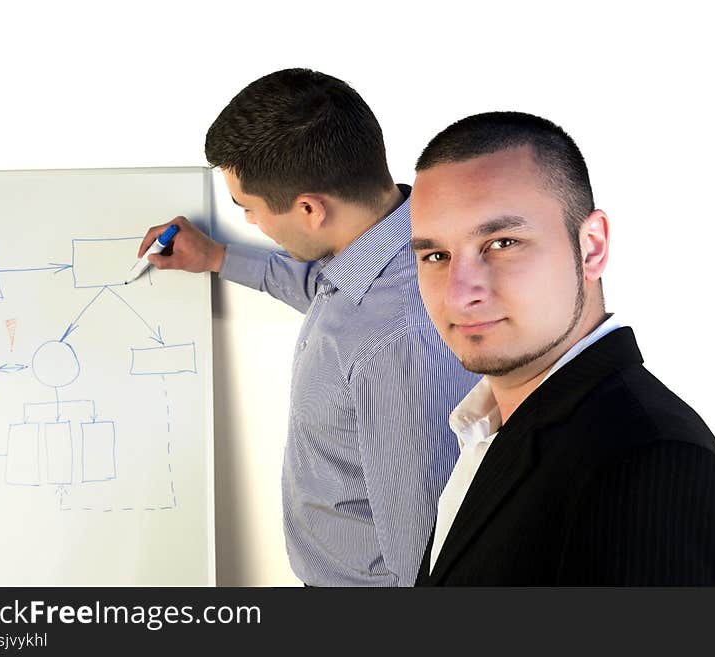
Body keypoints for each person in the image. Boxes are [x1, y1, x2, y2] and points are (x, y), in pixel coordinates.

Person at [138, 69, 479, 586]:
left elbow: (425, 559)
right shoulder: (383, 259)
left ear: (308, 209)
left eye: (248, 210)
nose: (252, 222)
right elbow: (326, 289)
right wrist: (218, 257)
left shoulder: (392, 341)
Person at [409, 111, 715, 585]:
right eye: (436, 256)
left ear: (591, 247)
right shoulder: (490, 430)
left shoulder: (652, 463)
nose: (459, 292)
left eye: (502, 242)